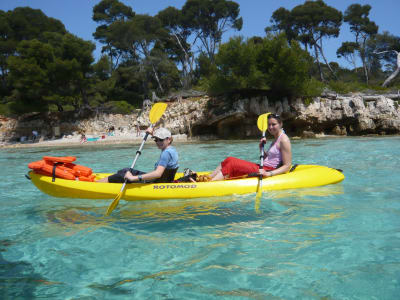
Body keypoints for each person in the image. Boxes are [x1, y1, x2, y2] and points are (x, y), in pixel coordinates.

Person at [208, 113, 292, 181]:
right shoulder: (276, 138)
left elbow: (287, 165)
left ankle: (210, 184)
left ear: (280, 124)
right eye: (269, 124)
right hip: (263, 167)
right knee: (229, 159)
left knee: (232, 164)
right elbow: (271, 159)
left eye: (274, 124)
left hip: (268, 170)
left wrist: (268, 174)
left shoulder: (284, 140)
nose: (270, 127)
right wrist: (261, 148)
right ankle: (208, 177)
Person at [97, 127, 179, 183]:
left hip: (157, 182)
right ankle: (108, 180)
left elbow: (158, 173)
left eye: (160, 140)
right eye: (156, 139)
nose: (158, 142)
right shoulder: (171, 149)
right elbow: (162, 139)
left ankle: (96, 184)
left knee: (120, 176)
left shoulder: (166, 153)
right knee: (126, 170)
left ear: (168, 139)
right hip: (162, 179)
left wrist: (134, 178)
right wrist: (151, 133)